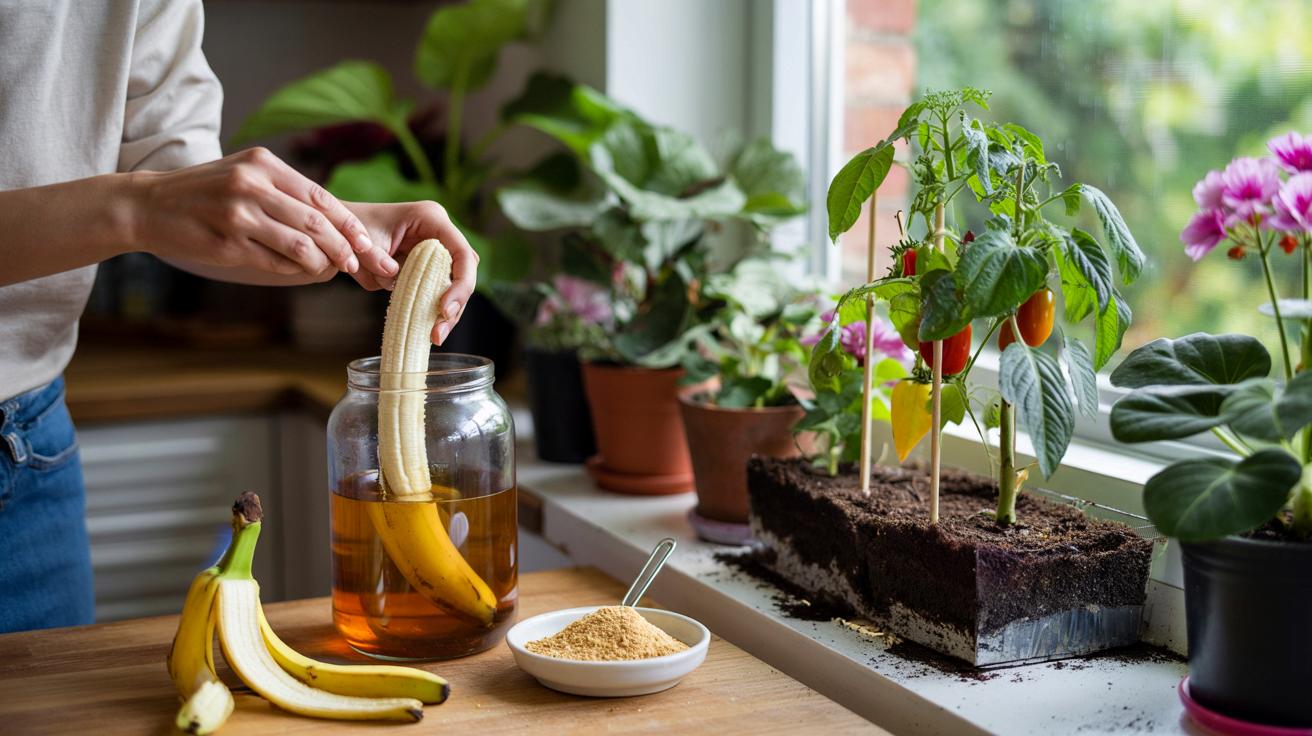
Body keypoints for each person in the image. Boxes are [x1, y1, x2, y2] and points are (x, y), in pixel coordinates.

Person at [0, 0, 478, 633]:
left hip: (28, 442)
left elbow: (180, 191)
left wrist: (346, 228)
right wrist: (136, 208)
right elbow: (154, 201)